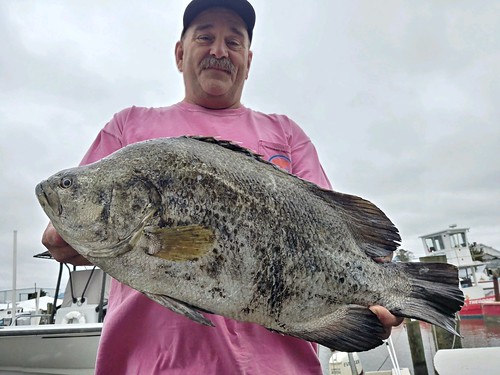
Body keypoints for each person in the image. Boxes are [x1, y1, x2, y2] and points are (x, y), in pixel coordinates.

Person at [42, 1, 402, 373]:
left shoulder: (286, 135)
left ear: (248, 60)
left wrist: (385, 290)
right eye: (205, 37)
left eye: (233, 41)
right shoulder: (128, 128)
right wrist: (67, 236)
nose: (219, 50)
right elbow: (80, 234)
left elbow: (338, 235)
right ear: (180, 53)